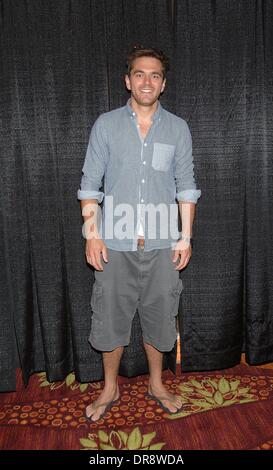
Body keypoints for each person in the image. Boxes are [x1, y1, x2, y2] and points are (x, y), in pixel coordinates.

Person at [77, 45, 201, 422]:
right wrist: (92, 234)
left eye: (155, 75)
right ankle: (109, 388)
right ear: (128, 80)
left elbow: (186, 186)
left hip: (164, 246)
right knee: (110, 320)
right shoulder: (106, 125)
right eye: (140, 74)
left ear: (163, 84)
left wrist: (186, 237)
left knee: (161, 319)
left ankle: (156, 383)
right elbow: (89, 185)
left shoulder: (178, 129)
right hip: (114, 245)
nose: (147, 81)